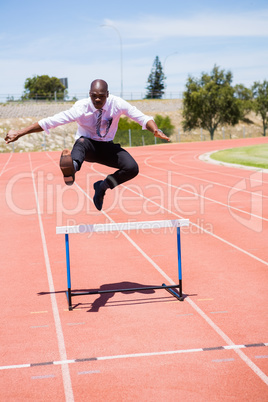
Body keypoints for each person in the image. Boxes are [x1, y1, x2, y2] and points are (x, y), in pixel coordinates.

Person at [5, 79, 170, 211]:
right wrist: (20, 132)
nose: (97, 99)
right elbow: (51, 121)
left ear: (108, 94)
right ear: (89, 94)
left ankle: (102, 187)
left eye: (101, 96)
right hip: (87, 147)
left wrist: (155, 129)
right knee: (82, 142)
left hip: (107, 146)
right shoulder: (81, 108)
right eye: (94, 96)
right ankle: (72, 168)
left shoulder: (117, 104)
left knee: (132, 168)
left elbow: (141, 117)